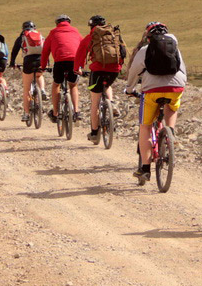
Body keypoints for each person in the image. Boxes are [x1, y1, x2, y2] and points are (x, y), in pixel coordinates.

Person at [125, 22, 186, 184]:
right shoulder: (175, 49)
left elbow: (133, 72)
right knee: (172, 108)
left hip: (152, 91)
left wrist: (129, 88)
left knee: (145, 126)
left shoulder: (144, 51)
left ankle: (145, 168)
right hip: (176, 87)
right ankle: (170, 134)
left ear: (148, 37)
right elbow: (183, 72)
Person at [74, 14, 126, 145]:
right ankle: (111, 103)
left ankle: (94, 133)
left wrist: (78, 68)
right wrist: (119, 65)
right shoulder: (114, 34)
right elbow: (123, 51)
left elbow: (80, 53)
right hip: (114, 69)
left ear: (91, 26)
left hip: (97, 70)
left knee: (95, 102)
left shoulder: (91, 36)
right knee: (107, 85)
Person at [41, 15, 82, 124]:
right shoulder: (75, 31)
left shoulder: (53, 32)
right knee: (73, 84)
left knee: (56, 84)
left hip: (59, 62)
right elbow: (82, 46)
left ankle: (55, 113)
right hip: (74, 61)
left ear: (57, 23)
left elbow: (45, 51)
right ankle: (77, 111)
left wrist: (43, 66)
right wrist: (81, 65)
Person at [10, 21, 47, 122]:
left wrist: (12, 62)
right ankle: (43, 90)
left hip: (28, 61)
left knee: (26, 90)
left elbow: (14, 51)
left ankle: (26, 114)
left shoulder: (22, 37)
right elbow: (46, 48)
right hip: (40, 60)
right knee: (39, 75)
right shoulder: (40, 36)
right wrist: (46, 62)